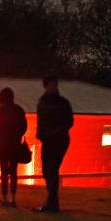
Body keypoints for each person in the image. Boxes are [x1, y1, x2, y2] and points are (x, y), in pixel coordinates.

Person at [34, 76, 73, 213]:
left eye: (54, 85)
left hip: (59, 140)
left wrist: (57, 131)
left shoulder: (62, 103)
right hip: (48, 139)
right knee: (47, 170)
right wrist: (40, 133)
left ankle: (52, 202)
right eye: (51, 85)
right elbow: (40, 120)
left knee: (52, 169)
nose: (53, 87)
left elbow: (68, 121)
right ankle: (52, 201)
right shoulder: (42, 102)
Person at [0, 87, 27, 207]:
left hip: (2, 145)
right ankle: (13, 198)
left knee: (4, 170)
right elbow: (23, 127)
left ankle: (4, 197)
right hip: (14, 143)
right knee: (14, 170)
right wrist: (17, 137)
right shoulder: (19, 110)